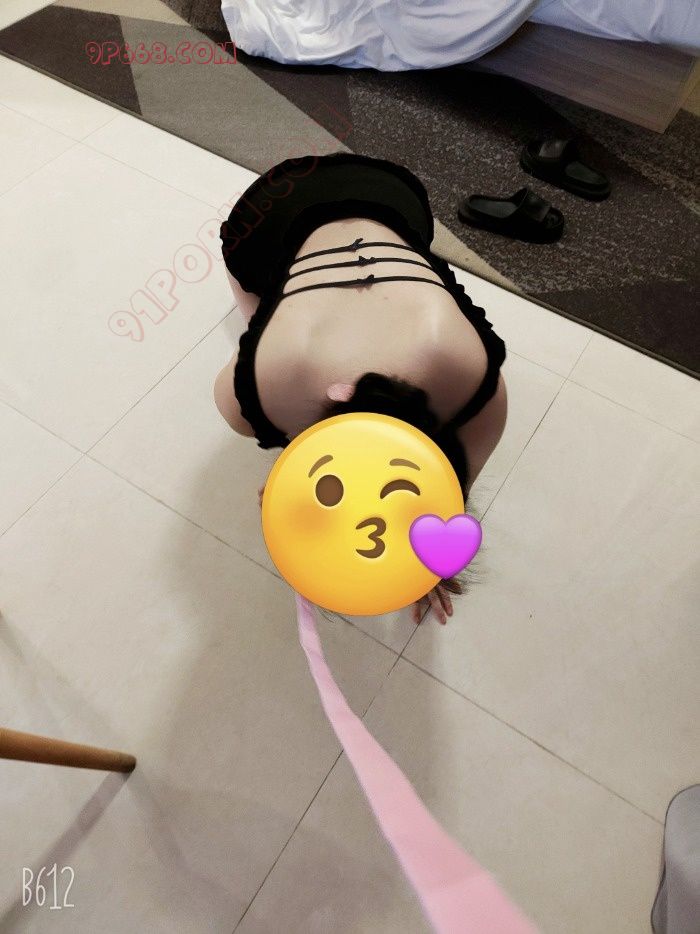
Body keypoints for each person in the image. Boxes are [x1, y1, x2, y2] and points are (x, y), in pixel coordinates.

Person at [214, 152, 507, 624]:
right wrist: (294, 472)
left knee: (270, 330)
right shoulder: (259, 392)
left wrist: (434, 557)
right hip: (278, 215)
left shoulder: (478, 392)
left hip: (388, 197)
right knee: (260, 322)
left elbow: (449, 495)